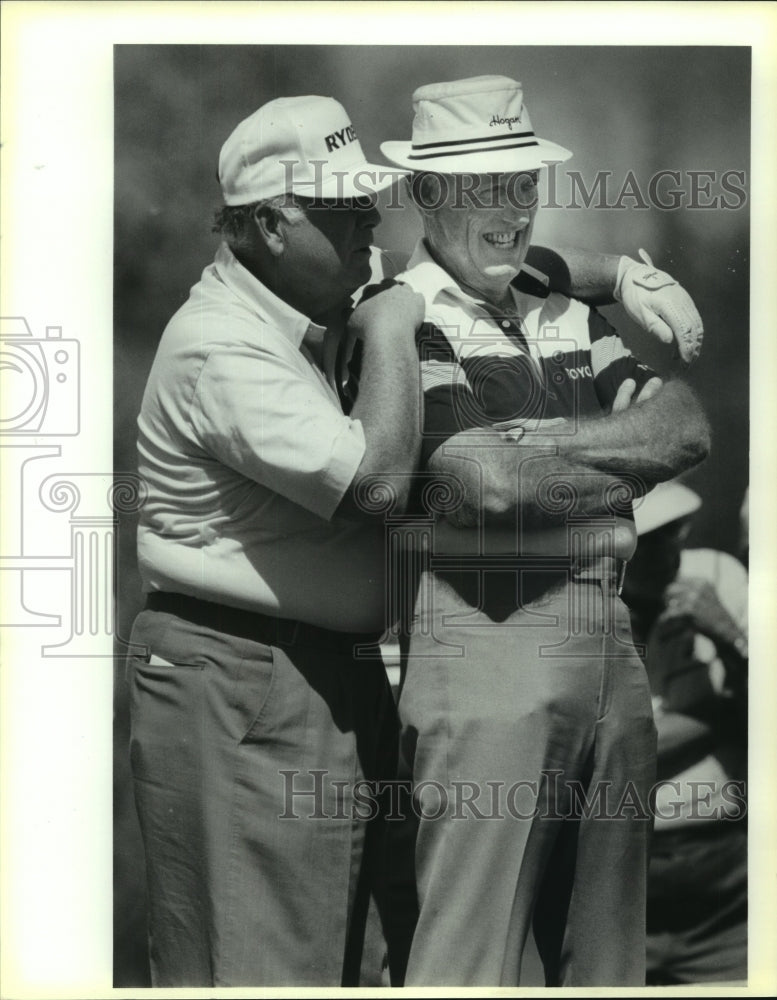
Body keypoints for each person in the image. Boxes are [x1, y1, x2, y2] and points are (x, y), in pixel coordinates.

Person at [124, 89, 706, 988]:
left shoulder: (348, 290)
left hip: (339, 669)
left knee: (372, 956)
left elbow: (680, 426)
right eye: (346, 207)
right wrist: (605, 470)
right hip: (242, 669)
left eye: (368, 198)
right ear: (273, 225)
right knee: (268, 966)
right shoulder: (250, 337)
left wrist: (620, 278)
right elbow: (419, 483)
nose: (370, 219)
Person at [380, 75, 711, 986]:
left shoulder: (564, 306)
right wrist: (613, 456)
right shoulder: (402, 314)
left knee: (606, 962)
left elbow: (683, 427)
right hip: (488, 633)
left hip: (610, 633)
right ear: (426, 195)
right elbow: (481, 483)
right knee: (471, 961)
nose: (509, 209)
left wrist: (553, 443)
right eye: (484, 185)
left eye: (522, 183)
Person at [624, 480, 748, 985]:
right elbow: (600, 753)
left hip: (722, 882)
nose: (665, 549)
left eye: (672, 531)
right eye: (646, 538)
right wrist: (713, 720)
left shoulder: (717, 575)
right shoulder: (587, 607)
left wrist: (728, 635)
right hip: (625, 878)